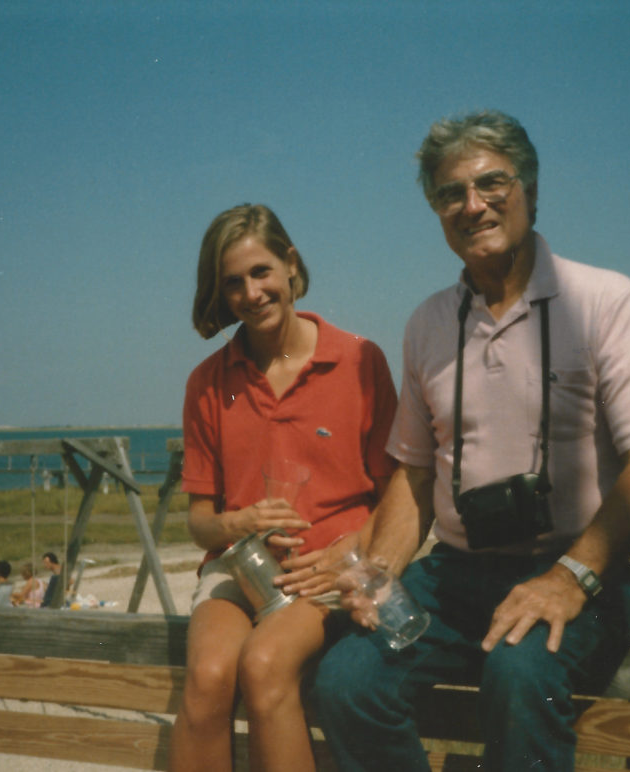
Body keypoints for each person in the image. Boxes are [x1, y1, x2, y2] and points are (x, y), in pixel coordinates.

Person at [309, 110, 630, 771]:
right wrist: (381, 574)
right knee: (345, 683)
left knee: (518, 676)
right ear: (437, 212)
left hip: (579, 570)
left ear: (532, 192)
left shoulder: (604, 300)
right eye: (452, 193)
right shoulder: (428, 323)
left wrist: (569, 579)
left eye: (493, 183)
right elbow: (415, 478)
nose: (473, 204)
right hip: (454, 579)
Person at [168, 203, 398, 772]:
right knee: (207, 678)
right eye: (233, 283)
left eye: (261, 272)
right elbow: (200, 522)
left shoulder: (358, 360)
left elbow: (398, 496)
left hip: (328, 566)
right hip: (238, 566)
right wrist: (238, 524)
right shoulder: (207, 382)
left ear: (290, 265)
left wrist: (349, 555)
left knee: (265, 664)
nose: (251, 292)